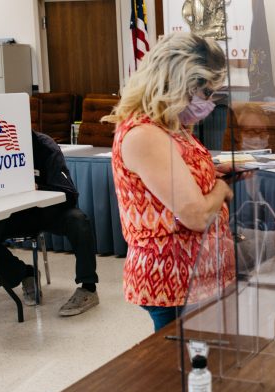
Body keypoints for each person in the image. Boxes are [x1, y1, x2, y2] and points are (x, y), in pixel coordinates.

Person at [103, 32, 235, 332]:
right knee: (185, 371)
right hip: (173, 278)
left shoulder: (172, 124)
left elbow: (176, 179)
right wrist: (221, 189)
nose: (210, 103)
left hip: (197, 274)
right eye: (206, 93)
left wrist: (211, 173)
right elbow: (197, 215)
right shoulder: (145, 134)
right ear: (179, 85)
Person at [0, 131, 99, 316]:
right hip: (11, 215)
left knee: (78, 222)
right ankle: (24, 274)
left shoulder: (44, 146)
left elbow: (69, 195)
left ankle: (88, 287)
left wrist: (36, 189)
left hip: (46, 212)